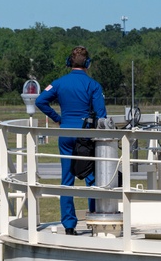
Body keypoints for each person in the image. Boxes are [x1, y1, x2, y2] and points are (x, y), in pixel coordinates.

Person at [35, 45, 108, 235]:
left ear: (69, 63)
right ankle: (94, 220)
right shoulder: (93, 85)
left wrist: (58, 118)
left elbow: (40, 101)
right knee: (92, 178)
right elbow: (102, 115)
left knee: (67, 179)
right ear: (88, 64)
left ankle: (69, 225)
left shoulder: (59, 83)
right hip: (85, 135)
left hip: (66, 132)